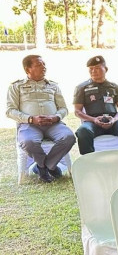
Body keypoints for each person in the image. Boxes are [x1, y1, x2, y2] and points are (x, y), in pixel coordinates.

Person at [6, 54, 76, 183]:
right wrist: (31, 119)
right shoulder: (16, 86)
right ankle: (47, 166)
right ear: (28, 69)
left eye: (44, 64)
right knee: (28, 142)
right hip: (29, 125)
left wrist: (56, 117)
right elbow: (10, 111)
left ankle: (45, 166)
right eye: (39, 65)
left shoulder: (53, 85)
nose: (44, 67)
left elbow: (63, 108)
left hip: (53, 124)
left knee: (69, 137)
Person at [73, 55, 118, 154]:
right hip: (92, 122)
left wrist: (114, 119)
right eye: (91, 69)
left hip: (113, 121)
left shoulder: (114, 87)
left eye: (97, 68)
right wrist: (94, 119)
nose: (93, 71)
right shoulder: (82, 88)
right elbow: (77, 111)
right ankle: (89, 160)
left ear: (105, 69)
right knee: (83, 131)